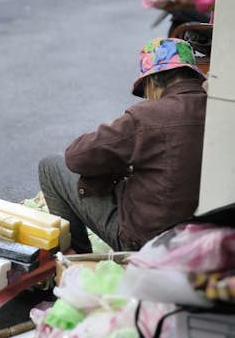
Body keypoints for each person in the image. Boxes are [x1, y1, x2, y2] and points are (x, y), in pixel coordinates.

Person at [38, 38, 207, 253]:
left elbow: (76, 157)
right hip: (201, 236)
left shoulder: (149, 116)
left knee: (51, 165)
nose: (147, 98)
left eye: (146, 91)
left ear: (153, 81)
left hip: (148, 243)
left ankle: (78, 260)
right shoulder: (218, 106)